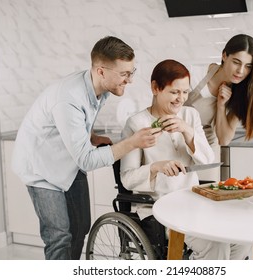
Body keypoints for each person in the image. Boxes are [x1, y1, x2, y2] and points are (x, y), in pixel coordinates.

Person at [11, 36, 162, 260]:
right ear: (101, 71)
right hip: (40, 167)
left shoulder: (98, 88)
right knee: (59, 236)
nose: (129, 80)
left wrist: (90, 137)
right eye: (124, 74)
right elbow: (86, 160)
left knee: (81, 227)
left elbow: (74, 124)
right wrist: (132, 143)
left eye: (131, 72)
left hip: (66, 162)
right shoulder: (68, 98)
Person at [120, 59, 250, 260]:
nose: (180, 99)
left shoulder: (190, 116)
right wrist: (156, 167)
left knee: (240, 238)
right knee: (215, 245)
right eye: (174, 92)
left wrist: (187, 131)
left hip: (194, 204)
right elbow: (127, 179)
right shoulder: (137, 123)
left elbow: (207, 159)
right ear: (155, 88)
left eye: (185, 92)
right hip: (160, 209)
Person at [185, 34, 253, 146]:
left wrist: (221, 106)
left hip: (205, 152)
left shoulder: (242, 94)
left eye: (248, 66)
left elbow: (224, 140)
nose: (241, 71)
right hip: (176, 146)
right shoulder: (194, 75)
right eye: (236, 62)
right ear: (224, 56)